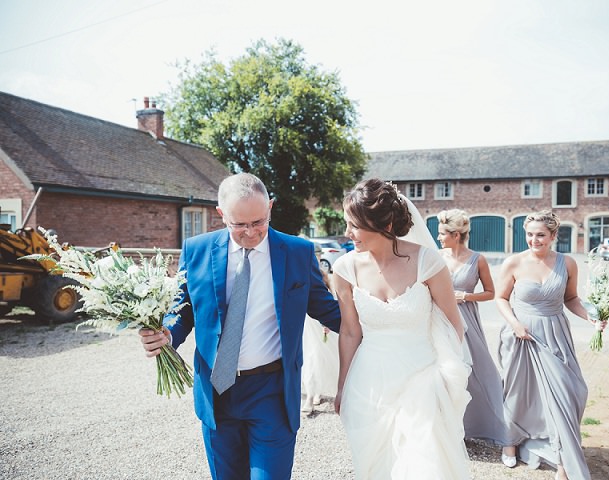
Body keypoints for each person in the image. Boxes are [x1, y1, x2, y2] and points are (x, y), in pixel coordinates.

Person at [139, 173, 341, 480]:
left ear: (270, 207)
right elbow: (183, 308)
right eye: (239, 225)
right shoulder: (196, 250)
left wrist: (379, 327)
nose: (251, 232)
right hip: (217, 393)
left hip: (273, 393)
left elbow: (327, 309)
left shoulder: (297, 252)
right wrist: (167, 334)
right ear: (221, 215)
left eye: (259, 222)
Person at [333, 178, 471, 480]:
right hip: (368, 384)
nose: (347, 233)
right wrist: (343, 386)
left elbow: (452, 325)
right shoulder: (344, 269)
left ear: (384, 222)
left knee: (423, 467)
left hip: (422, 380)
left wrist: (447, 377)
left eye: (354, 225)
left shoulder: (427, 261)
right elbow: (349, 332)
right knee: (377, 467)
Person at [495, 210, 604, 480]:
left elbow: (572, 298)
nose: (534, 239)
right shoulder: (513, 263)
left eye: (541, 235)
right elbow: (500, 298)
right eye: (530, 234)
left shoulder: (567, 264)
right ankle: (510, 441)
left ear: (554, 235)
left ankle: (564, 460)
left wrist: (591, 316)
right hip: (520, 335)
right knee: (517, 390)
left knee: (571, 394)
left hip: (555, 334)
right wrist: (515, 325)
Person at [436, 209, 516, 448]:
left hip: (468, 323)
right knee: (443, 373)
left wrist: (467, 296)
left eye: (442, 233)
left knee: (476, 374)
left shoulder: (477, 259)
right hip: (440, 322)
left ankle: (478, 426)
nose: (439, 237)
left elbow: (492, 293)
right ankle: (446, 429)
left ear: (457, 235)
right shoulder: (435, 257)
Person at [300, 244, 339, 415]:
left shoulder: (323, 275)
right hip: (304, 324)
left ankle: (313, 394)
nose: (316, 258)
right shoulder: (299, 272)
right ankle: (310, 393)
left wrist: (326, 323)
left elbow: (328, 299)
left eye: (317, 255)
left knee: (316, 358)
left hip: (318, 323)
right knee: (307, 358)